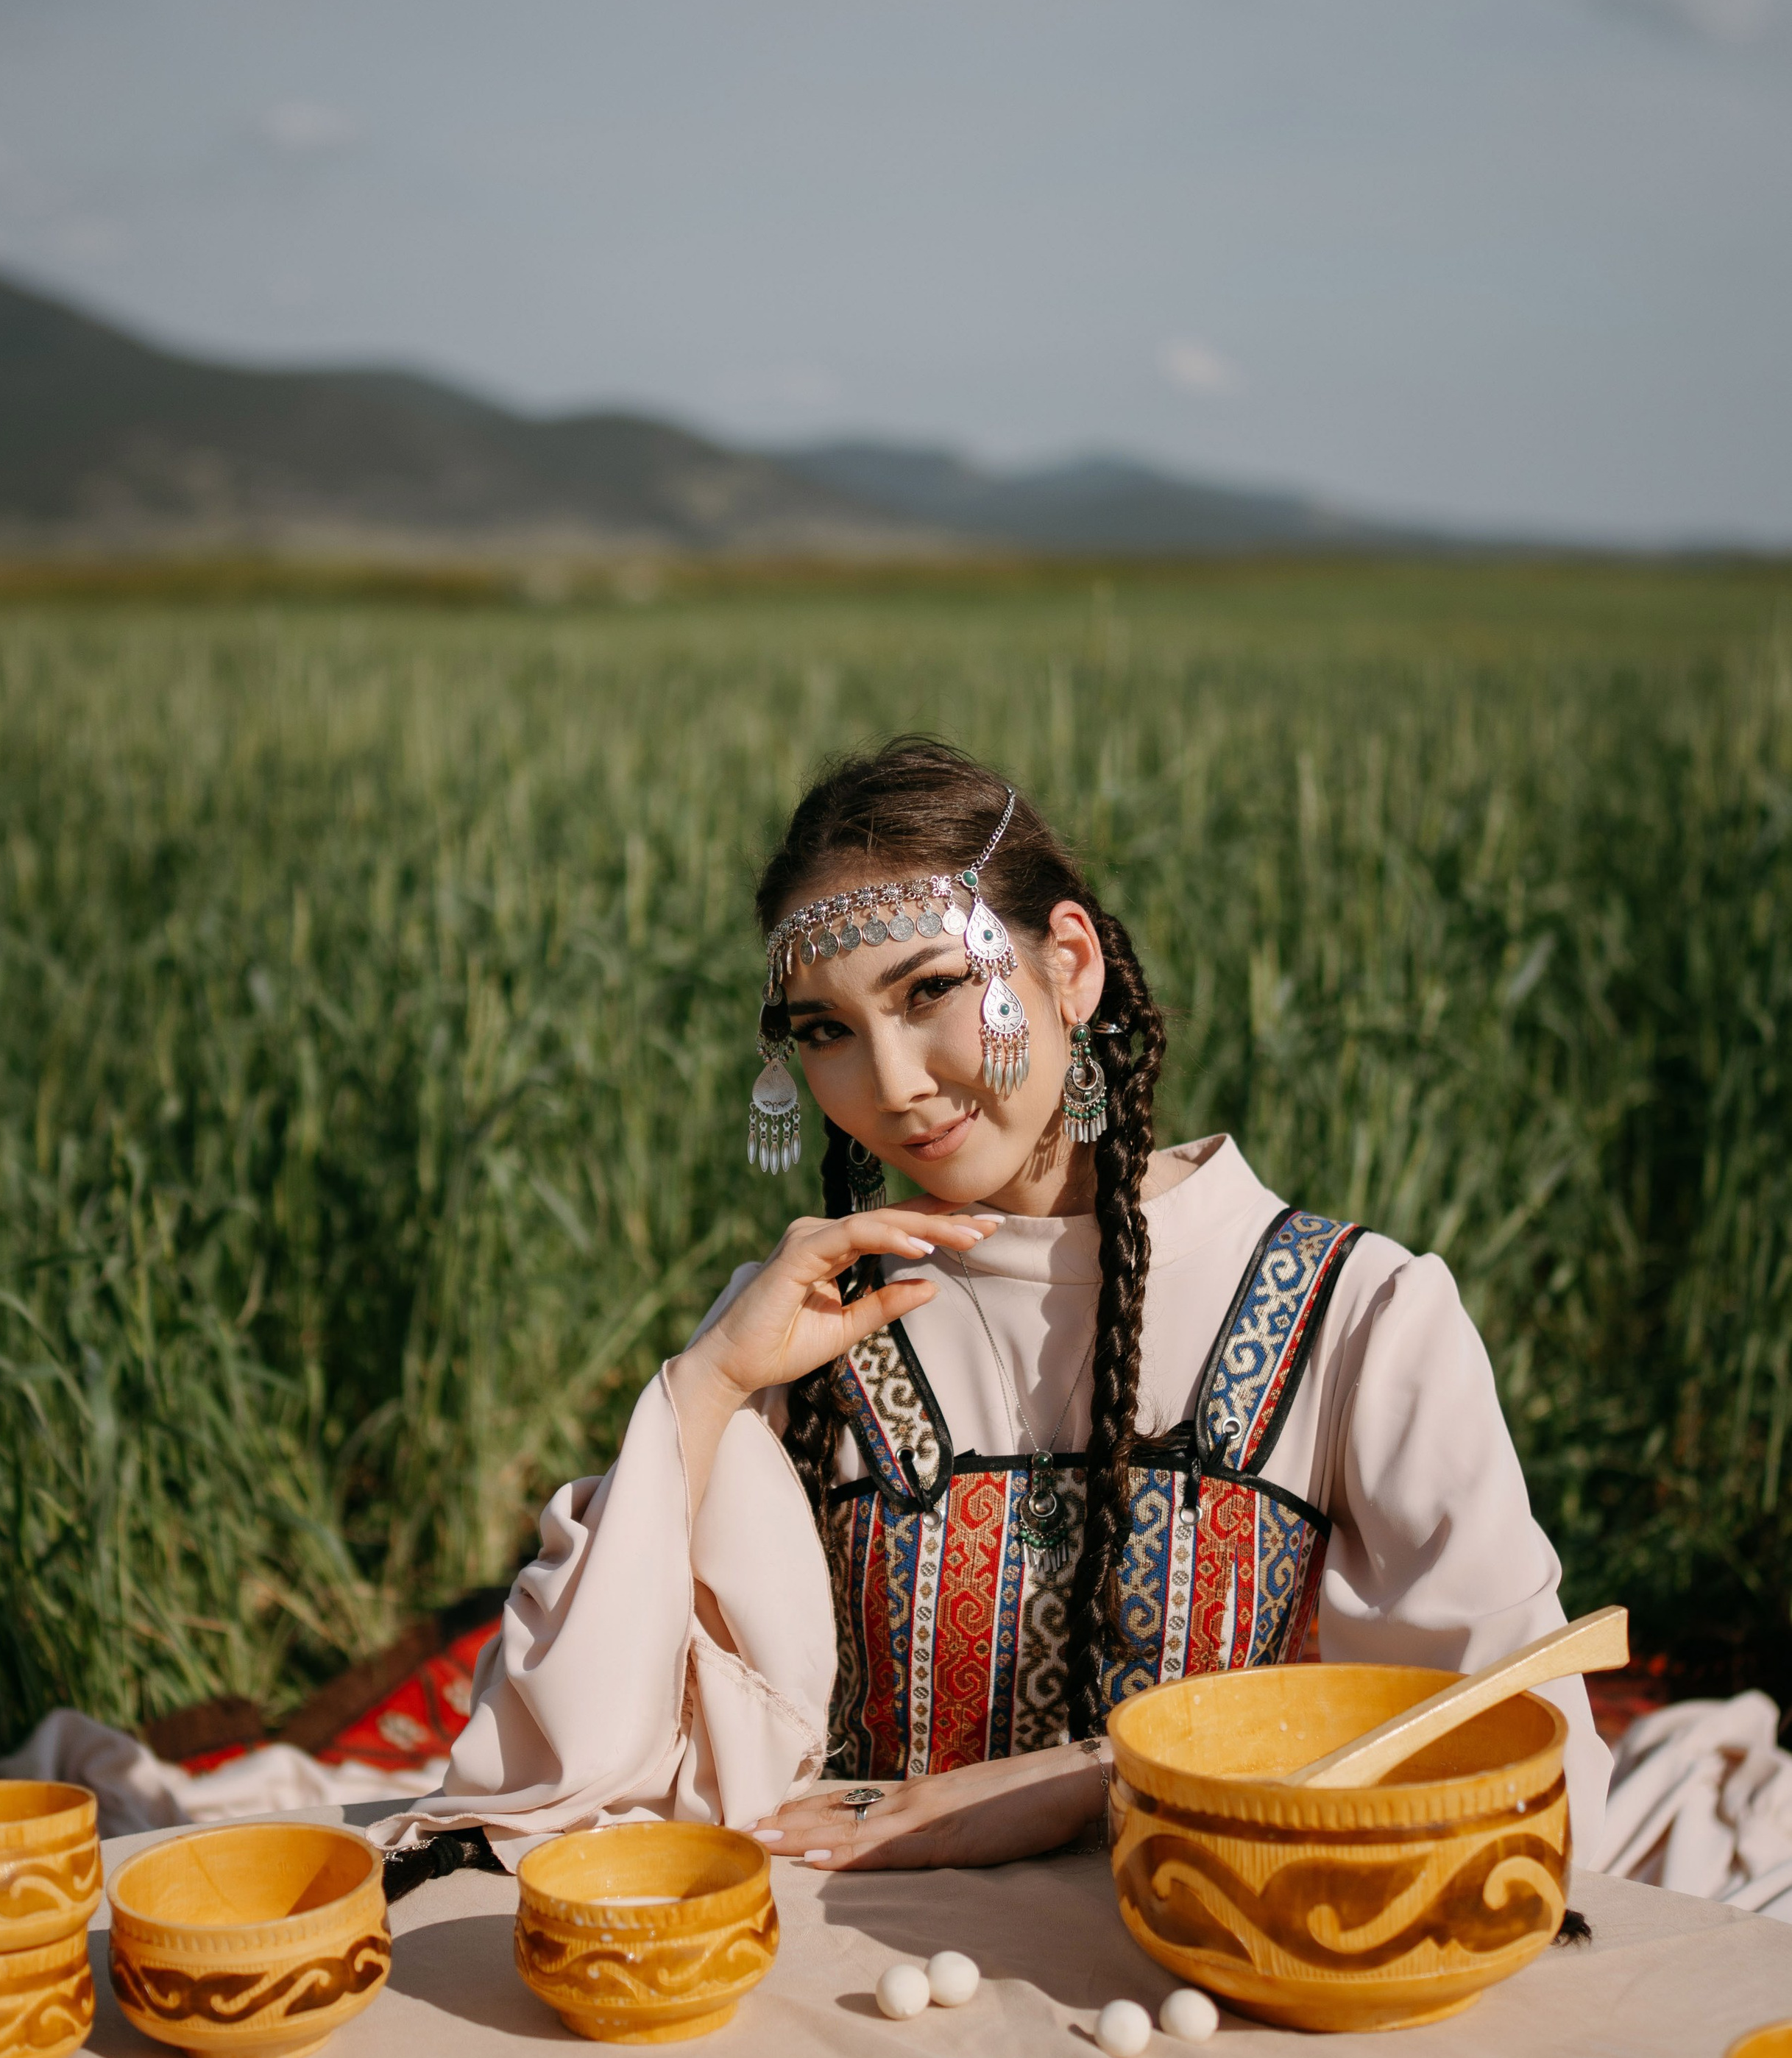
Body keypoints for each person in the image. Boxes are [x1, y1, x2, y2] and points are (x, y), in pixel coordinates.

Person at [377, 739, 1609, 1881]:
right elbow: (554, 1778)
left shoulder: (1359, 1317)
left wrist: (1100, 1777)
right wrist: (704, 1393)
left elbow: (1518, 1767)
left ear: (1068, 965)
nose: (895, 1087)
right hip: (845, 1998)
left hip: (1233, 1967)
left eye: (930, 994)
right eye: (828, 1033)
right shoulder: (798, 1331)